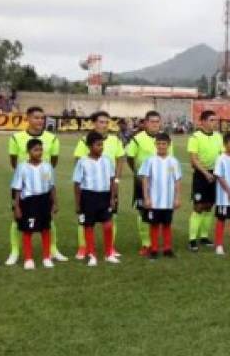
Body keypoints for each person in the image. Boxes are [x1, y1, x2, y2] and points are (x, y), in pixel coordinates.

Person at [6, 107, 66, 265]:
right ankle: (15, 251)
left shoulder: (52, 138)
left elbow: (53, 162)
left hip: (43, 186)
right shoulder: (16, 137)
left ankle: (52, 250)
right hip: (23, 186)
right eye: (36, 118)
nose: (40, 121)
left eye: (42, 118)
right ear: (28, 118)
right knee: (17, 219)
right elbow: (13, 161)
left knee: (48, 220)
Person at [73, 112, 125, 259]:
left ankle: (110, 248)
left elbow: (120, 158)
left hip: (107, 186)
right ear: (94, 123)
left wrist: (116, 180)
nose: (104, 125)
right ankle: (84, 248)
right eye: (101, 122)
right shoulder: (85, 140)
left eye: (106, 122)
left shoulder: (115, 140)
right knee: (85, 220)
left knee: (110, 217)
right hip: (89, 190)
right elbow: (79, 161)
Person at [127, 110, 171, 256]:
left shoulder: (165, 138)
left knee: (161, 211)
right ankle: (146, 244)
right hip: (142, 180)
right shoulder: (137, 138)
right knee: (143, 211)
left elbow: (170, 160)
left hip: (161, 183)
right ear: (145, 123)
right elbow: (130, 157)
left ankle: (162, 244)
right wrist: (137, 173)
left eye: (157, 121)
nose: (155, 124)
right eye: (152, 122)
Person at [11, 138, 56, 270]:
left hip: (44, 200)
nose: (39, 152)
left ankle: (47, 257)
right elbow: (17, 188)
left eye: (40, 149)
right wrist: (17, 206)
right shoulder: (22, 167)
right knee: (28, 230)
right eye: (35, 150)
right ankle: (28, 259)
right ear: (28, 151)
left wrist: (55, 203)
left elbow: (52, 185)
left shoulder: (47, 166)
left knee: (45, 228)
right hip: (29, 202)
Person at [138, 132, 182, 260]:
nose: (161, 146)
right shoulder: (149, 161)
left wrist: (177, 197)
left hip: (168, 201)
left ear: (169, 145)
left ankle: (167, 248)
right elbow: (145, 179)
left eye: (164, 144)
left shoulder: (174, 162)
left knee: (167, 224)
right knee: (154, 225)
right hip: (154, 201)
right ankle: (154, 249)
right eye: (159, 144)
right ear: (155, 145)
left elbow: (177, 181)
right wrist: (146, 197)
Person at [186, 111, 224, 252]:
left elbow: (222, 155)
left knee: (209, 206)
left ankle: (204, 236)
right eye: (211, 120)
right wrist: (205, 173)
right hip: (201, 175)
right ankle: (192, 239)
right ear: (202, 121)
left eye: (215, 120)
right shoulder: (195, 137)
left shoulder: (218, 137)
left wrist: (218, 173)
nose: (215, 122)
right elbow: (193, 159)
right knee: (198, 207)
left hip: (215, 174)